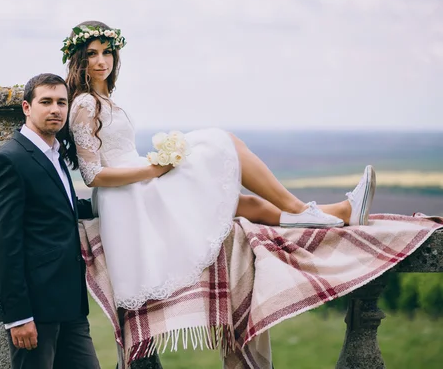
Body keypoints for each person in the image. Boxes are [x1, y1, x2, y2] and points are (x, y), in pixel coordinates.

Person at [62, 21, 376, 310]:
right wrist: (154, 170)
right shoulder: (85, 103)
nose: (102, 61)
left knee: (238, 201)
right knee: (221, 143)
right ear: (79, 59)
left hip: (138, 180)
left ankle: (341, 212)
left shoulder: (106, 99)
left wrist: (155, 165)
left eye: (107, 52)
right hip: (128, 196)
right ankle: (299, 208)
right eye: (92, 54)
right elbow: (93, 175)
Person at [0, 73, 100, 369]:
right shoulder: (9, 159)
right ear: (27, 107)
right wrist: (19, 316)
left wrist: (118, 204)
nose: (55, 109)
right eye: (46, 102)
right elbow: (4, 242)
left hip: (70, 304)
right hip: (34, 309)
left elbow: (64, 208)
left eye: (62, 102)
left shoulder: (55, 154)